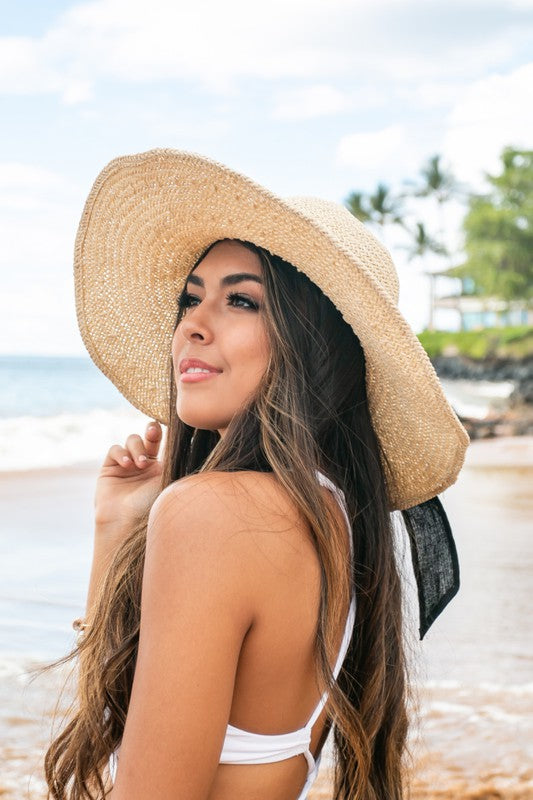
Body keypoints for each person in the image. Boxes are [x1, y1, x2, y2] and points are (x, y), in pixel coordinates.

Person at [43, 149, 469, 800]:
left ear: (314, 342)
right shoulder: (331, 515)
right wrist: (115, 529)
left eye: (240, 301)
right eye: (191, 299)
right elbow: (129, 721)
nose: (192, 325)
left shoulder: (214, 514)